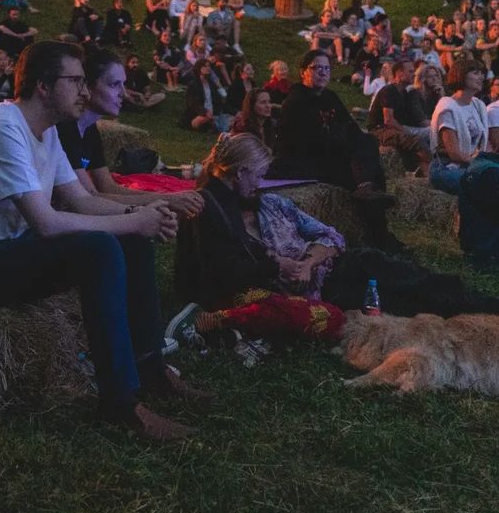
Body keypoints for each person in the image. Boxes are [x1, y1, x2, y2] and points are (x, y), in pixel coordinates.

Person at [0, 40, 203, 441]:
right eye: (75, 81)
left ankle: (149, 368)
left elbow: (81, 200)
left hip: (9, 248)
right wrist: (133, 222)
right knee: (100, 248)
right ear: (44, 86)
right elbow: (46, 223)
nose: (84, 91)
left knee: (128, 241)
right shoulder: (3, 128)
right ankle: (120, 404)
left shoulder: (48, 133)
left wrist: (141, 216)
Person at [172, 134, 499, 349]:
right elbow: (222, 270)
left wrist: (310, 260)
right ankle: (476, 310)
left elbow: (331, 235)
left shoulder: (272, 203)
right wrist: (282, 267)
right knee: (406, 301)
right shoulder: (217, 212)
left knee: (413, 277)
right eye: (257, 174)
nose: (260, 182)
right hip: (323, 288)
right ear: (240, 172)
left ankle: (483, 303)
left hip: (335, 264)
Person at [57, 49, 204, 220]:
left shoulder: (89, 130)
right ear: (88, 86)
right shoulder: (65, 129)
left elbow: (108, 188)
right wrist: (165, 201)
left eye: (123, 84)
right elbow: (88, 198)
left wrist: (164, 199)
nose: (124, 93)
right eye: (114, 85)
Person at [270, 50, 396, 247]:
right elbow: (305, 142)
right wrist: (344, 142)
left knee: (369, 146)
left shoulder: (330, 97)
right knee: (361, 169)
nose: (323, 72)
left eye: (327, 68)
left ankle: (371, 204)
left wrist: (359, 141)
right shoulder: (295, 101)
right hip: (306, 161)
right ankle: (377, 233)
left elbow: (351, 128)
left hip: (332, 153)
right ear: (304, 71)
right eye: (317, 67)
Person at [429, 59, 488, 194]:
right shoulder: (447, 108)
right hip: (446, 167)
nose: (481, 77)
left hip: (469, 164)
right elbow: (455, 154)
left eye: (482, 73)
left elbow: (481, 145)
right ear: (461, 75)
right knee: (486, 185)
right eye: (475, 73)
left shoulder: (478, 105)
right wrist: (482, 165)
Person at [367, 58, 431, 172]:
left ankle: (421, 173)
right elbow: (388, 120)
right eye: (410, 71)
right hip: (379, 130)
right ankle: (429, 174)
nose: (413, 74)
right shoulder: (389, 90)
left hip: (393, 129)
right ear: (399, 74)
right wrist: (406, 132)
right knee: (417, 141)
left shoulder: (404, 93)